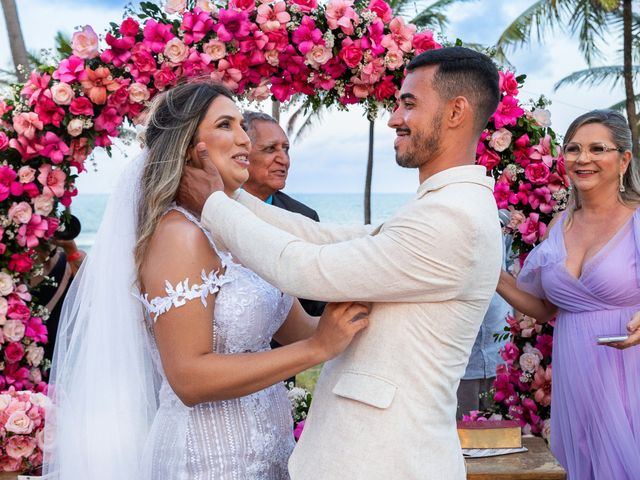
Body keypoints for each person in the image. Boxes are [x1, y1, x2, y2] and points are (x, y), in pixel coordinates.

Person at [178, 46, 503, 479]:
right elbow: (323, 238)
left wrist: (214, 206)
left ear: (457, 110)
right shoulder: (444, 205)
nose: (393, 118)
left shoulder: (453, 218)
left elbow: (307, 269)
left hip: (385, 460)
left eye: (409, 104)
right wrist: (231, 197)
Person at [43, 82, 369, 480]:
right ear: (188, 148)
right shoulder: (179, 234)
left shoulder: (238, 231)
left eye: (242, 126)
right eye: (226, 125)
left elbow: (303, 329)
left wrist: (379, 297)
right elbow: (188, 378)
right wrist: (318, 349)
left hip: (270, 451)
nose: (244, 139)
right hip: (207, 459)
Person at [497, 109, 640, 479]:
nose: (583, 158)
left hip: (630, 370)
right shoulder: (560, 224)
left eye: (597, 148)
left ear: (623, 159)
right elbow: (544, 309)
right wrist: (492, 276)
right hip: (575, 372)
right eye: (574, 149)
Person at [242, 110, 325, 317]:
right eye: (270, 149)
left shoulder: (304, 217)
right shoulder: (211, 207)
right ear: (242, 154)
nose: (284, 160)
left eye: (286, 149)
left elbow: (315, 303)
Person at [457, 235, 513, 420]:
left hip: (501, 351)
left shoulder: (502, 221)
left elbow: (519, 279)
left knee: (503, 435)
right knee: (462, 437)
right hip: (461, 359)